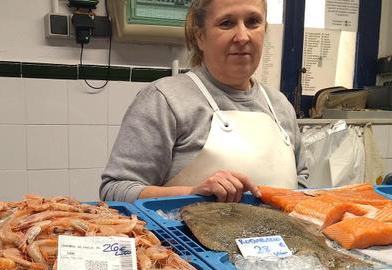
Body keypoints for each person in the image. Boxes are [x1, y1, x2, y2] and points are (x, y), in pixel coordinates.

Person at [100, 0, 307, 203]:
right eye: (226, 23)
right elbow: (114, 190)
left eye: (253, 22)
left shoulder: (280, 106)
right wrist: (191, 193)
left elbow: (304, 186)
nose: (243, 36)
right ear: (200, 37)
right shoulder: (164, 100)